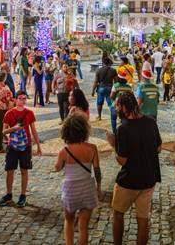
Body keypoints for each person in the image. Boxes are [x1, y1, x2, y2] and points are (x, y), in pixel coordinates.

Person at [105, 92, 162, 245]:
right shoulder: (150, 122)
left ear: (124, 107)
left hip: (129, 181)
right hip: (149, 179)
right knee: (143, 220)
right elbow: (158, 148)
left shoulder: (123, 129)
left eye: (117, 105)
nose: (116, 108)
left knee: (118, 213)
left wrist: (113, 144)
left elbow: (122, 160)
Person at [55, 113, 101, 245]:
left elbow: (57, 168)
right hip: (87, 188)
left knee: (69, 221)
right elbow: (97, 170)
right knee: (83, 227)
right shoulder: (92, 148)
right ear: (84, 130)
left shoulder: (64, 151)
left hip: (70, 190)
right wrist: (99, 187)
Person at [0, 91, 42, 207]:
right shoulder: (9, 113)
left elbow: (33, 130)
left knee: (24, 170)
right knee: (10, 170)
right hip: (12, 146)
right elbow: (3, 131)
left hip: (26, 146)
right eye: (20, 98)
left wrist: (38, 145)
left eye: (24, 98)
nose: (22, 100)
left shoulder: (29, 113)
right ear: (15, 100)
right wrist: (14, 128)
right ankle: (8, 194)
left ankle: (23, 195)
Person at [109, 71, 134, 135]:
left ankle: (114, 132)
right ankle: (124, 132)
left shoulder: (115, 86)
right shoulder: (129, 87)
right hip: (125, 106)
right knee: (124, 119)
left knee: (113, 118)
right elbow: (131, 97)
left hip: (116, 106)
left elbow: (111, 96)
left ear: (118, 78)